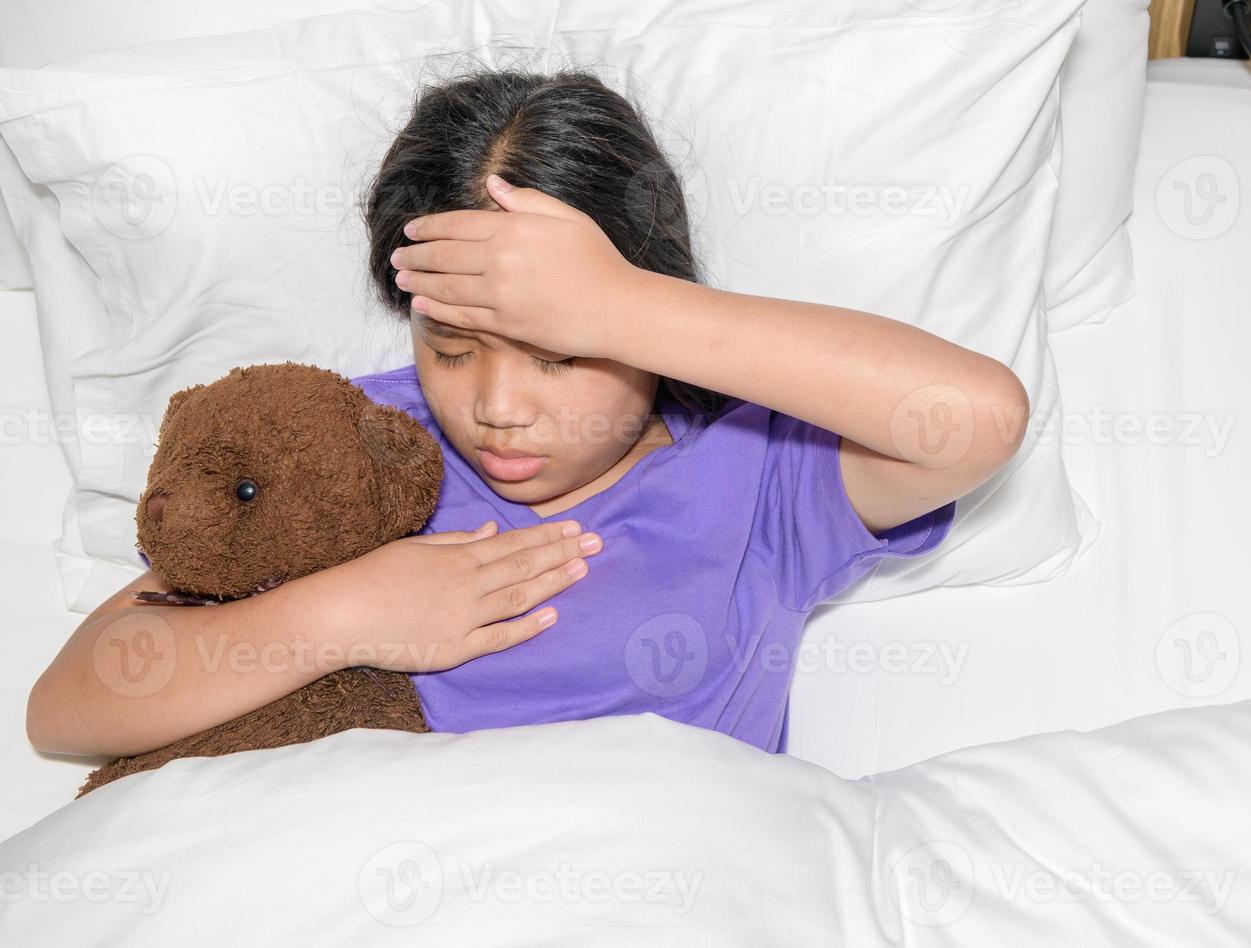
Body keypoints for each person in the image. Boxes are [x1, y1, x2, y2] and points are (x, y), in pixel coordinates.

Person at [27, 66, 1024, 761]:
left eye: (561, 355)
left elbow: (977, 416)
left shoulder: (756, 461)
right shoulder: (353, 443)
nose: (498, 407)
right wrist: (344, 613)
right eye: (452, 348)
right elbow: (68, 706)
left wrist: (624, 306)